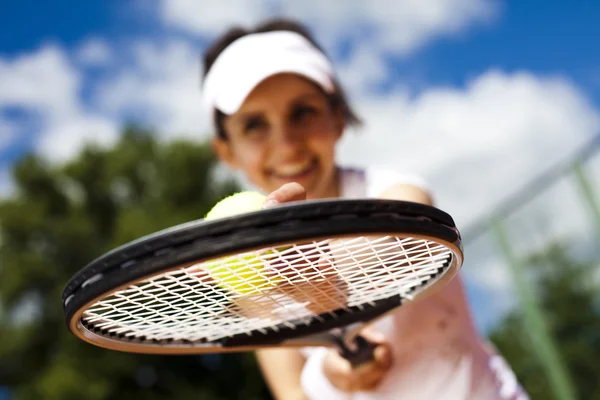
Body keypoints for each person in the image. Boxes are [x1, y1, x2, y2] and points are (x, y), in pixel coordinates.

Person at [200, 18, 528, 400]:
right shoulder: (249, 282)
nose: (287, 144)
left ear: (337, 117)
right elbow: (293, 392)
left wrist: (323, 274)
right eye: (254, 125)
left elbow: (402, 237)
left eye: (302, 113)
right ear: (226, 151)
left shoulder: (392, 190)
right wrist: (328, 376)